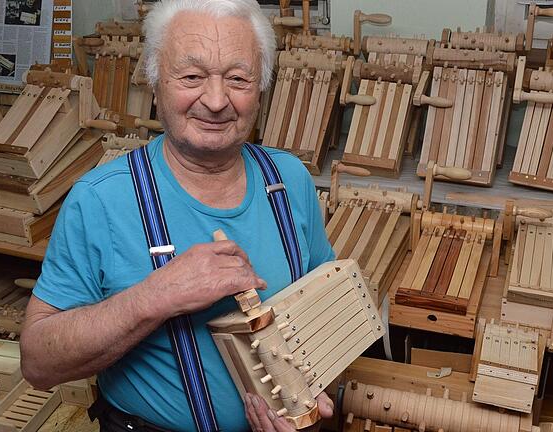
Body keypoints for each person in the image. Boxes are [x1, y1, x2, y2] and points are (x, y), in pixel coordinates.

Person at [19, 1, 335, 431]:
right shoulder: (100, 201)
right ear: (155, 82)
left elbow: (325, 312)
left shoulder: (289, 179)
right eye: (191, 77)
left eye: (238, 79)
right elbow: (38, 362)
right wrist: (156, 297)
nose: (217, 100)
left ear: (260, 89)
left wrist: (314, 397)